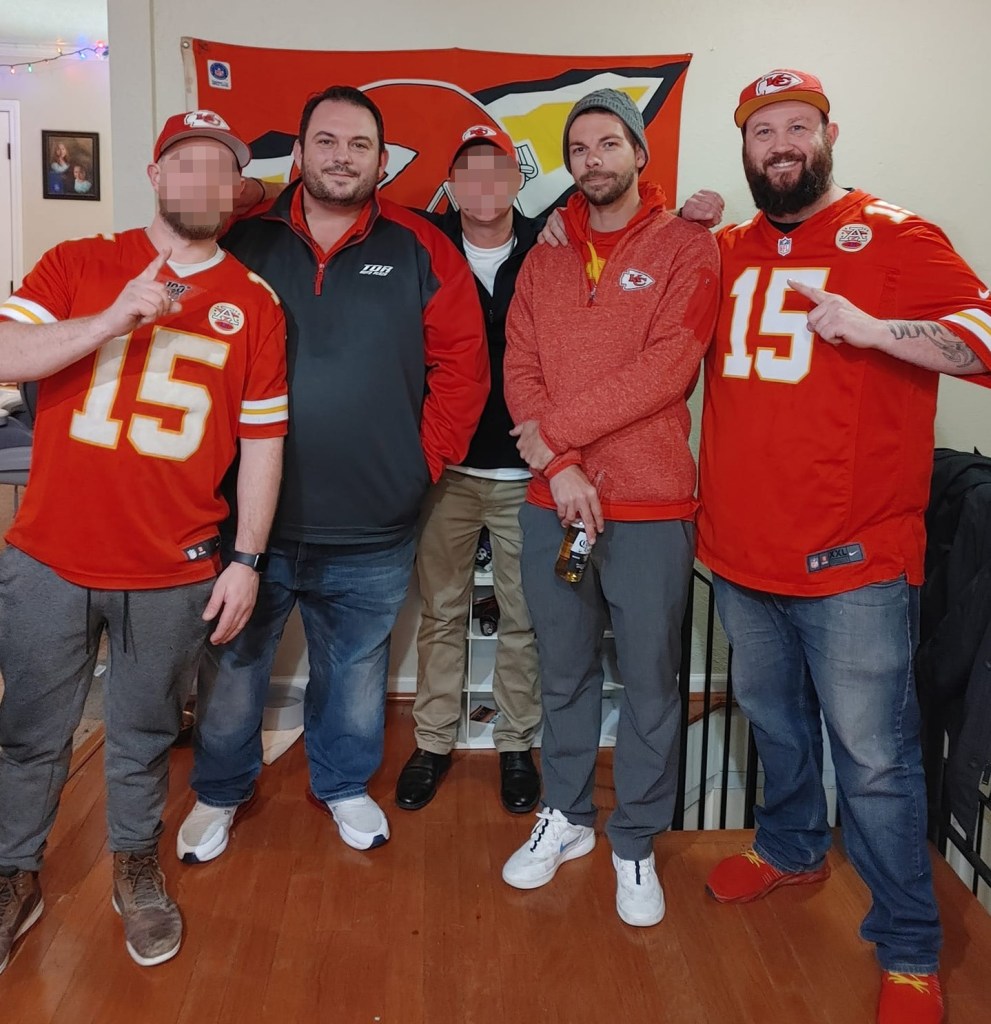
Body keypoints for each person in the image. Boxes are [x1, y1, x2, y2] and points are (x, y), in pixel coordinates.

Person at [696, 70, 991, 1024]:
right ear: (743, 147)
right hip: (740, 551)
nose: (779, 144)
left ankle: (908, 946)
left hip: (853, 560)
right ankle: (787, 849)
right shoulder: (727, 246)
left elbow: (984, 341)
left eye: (796, 127)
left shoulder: (896, 234)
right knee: (775, 726)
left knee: (872, 760)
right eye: (761, 131)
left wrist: (874, 331)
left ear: (827, 134)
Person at [0, 109, 288, 972]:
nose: (203, 181)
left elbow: (264, 440)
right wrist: (108, 319)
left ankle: (134, 865)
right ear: (156, 175)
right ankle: (14, 872)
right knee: (27, 733)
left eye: (220, 169)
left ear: (236, 193)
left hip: (174, 567)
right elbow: (6, 353)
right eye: (186, 164)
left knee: (143, 732)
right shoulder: (79, 262)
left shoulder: (254, 301)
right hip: (49, 553)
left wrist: (247, 559)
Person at [177, 86, 488, 863]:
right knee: (235, 670)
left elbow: (463, 367)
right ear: (301, 151)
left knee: (352, 673)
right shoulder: (242, 239)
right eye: (326, 141)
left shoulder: (422, 245)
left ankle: (343, 785)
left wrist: (419, 464)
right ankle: (218, 794)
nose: (342, 157)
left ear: (381, 160)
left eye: (358, 145)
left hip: (373, 523)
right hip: (250, 525)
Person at [501, 88, 719, 928]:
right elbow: (518, 361)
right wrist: (557, 464)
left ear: (639, 153)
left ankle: (633, 838)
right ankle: (566, 816)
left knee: (652, 682)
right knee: (562, 671)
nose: (592, 159)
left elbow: (669, 369)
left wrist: (554, 433)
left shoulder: (688, 246)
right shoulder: (545, 250)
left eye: (607, 144)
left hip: (652, 504)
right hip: (548, 499)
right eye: (578, 148)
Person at [394, 126, 543, 814]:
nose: (483, 185)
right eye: (467, 172)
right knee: (442, 612)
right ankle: (432, 741)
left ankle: (516, 743)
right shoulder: (419, 242)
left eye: (496, 170)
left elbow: (633, 217)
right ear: (449, 184)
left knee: (523, 618)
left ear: (517, 180)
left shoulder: (554, 243)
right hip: (445, 467)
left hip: (528, 472)